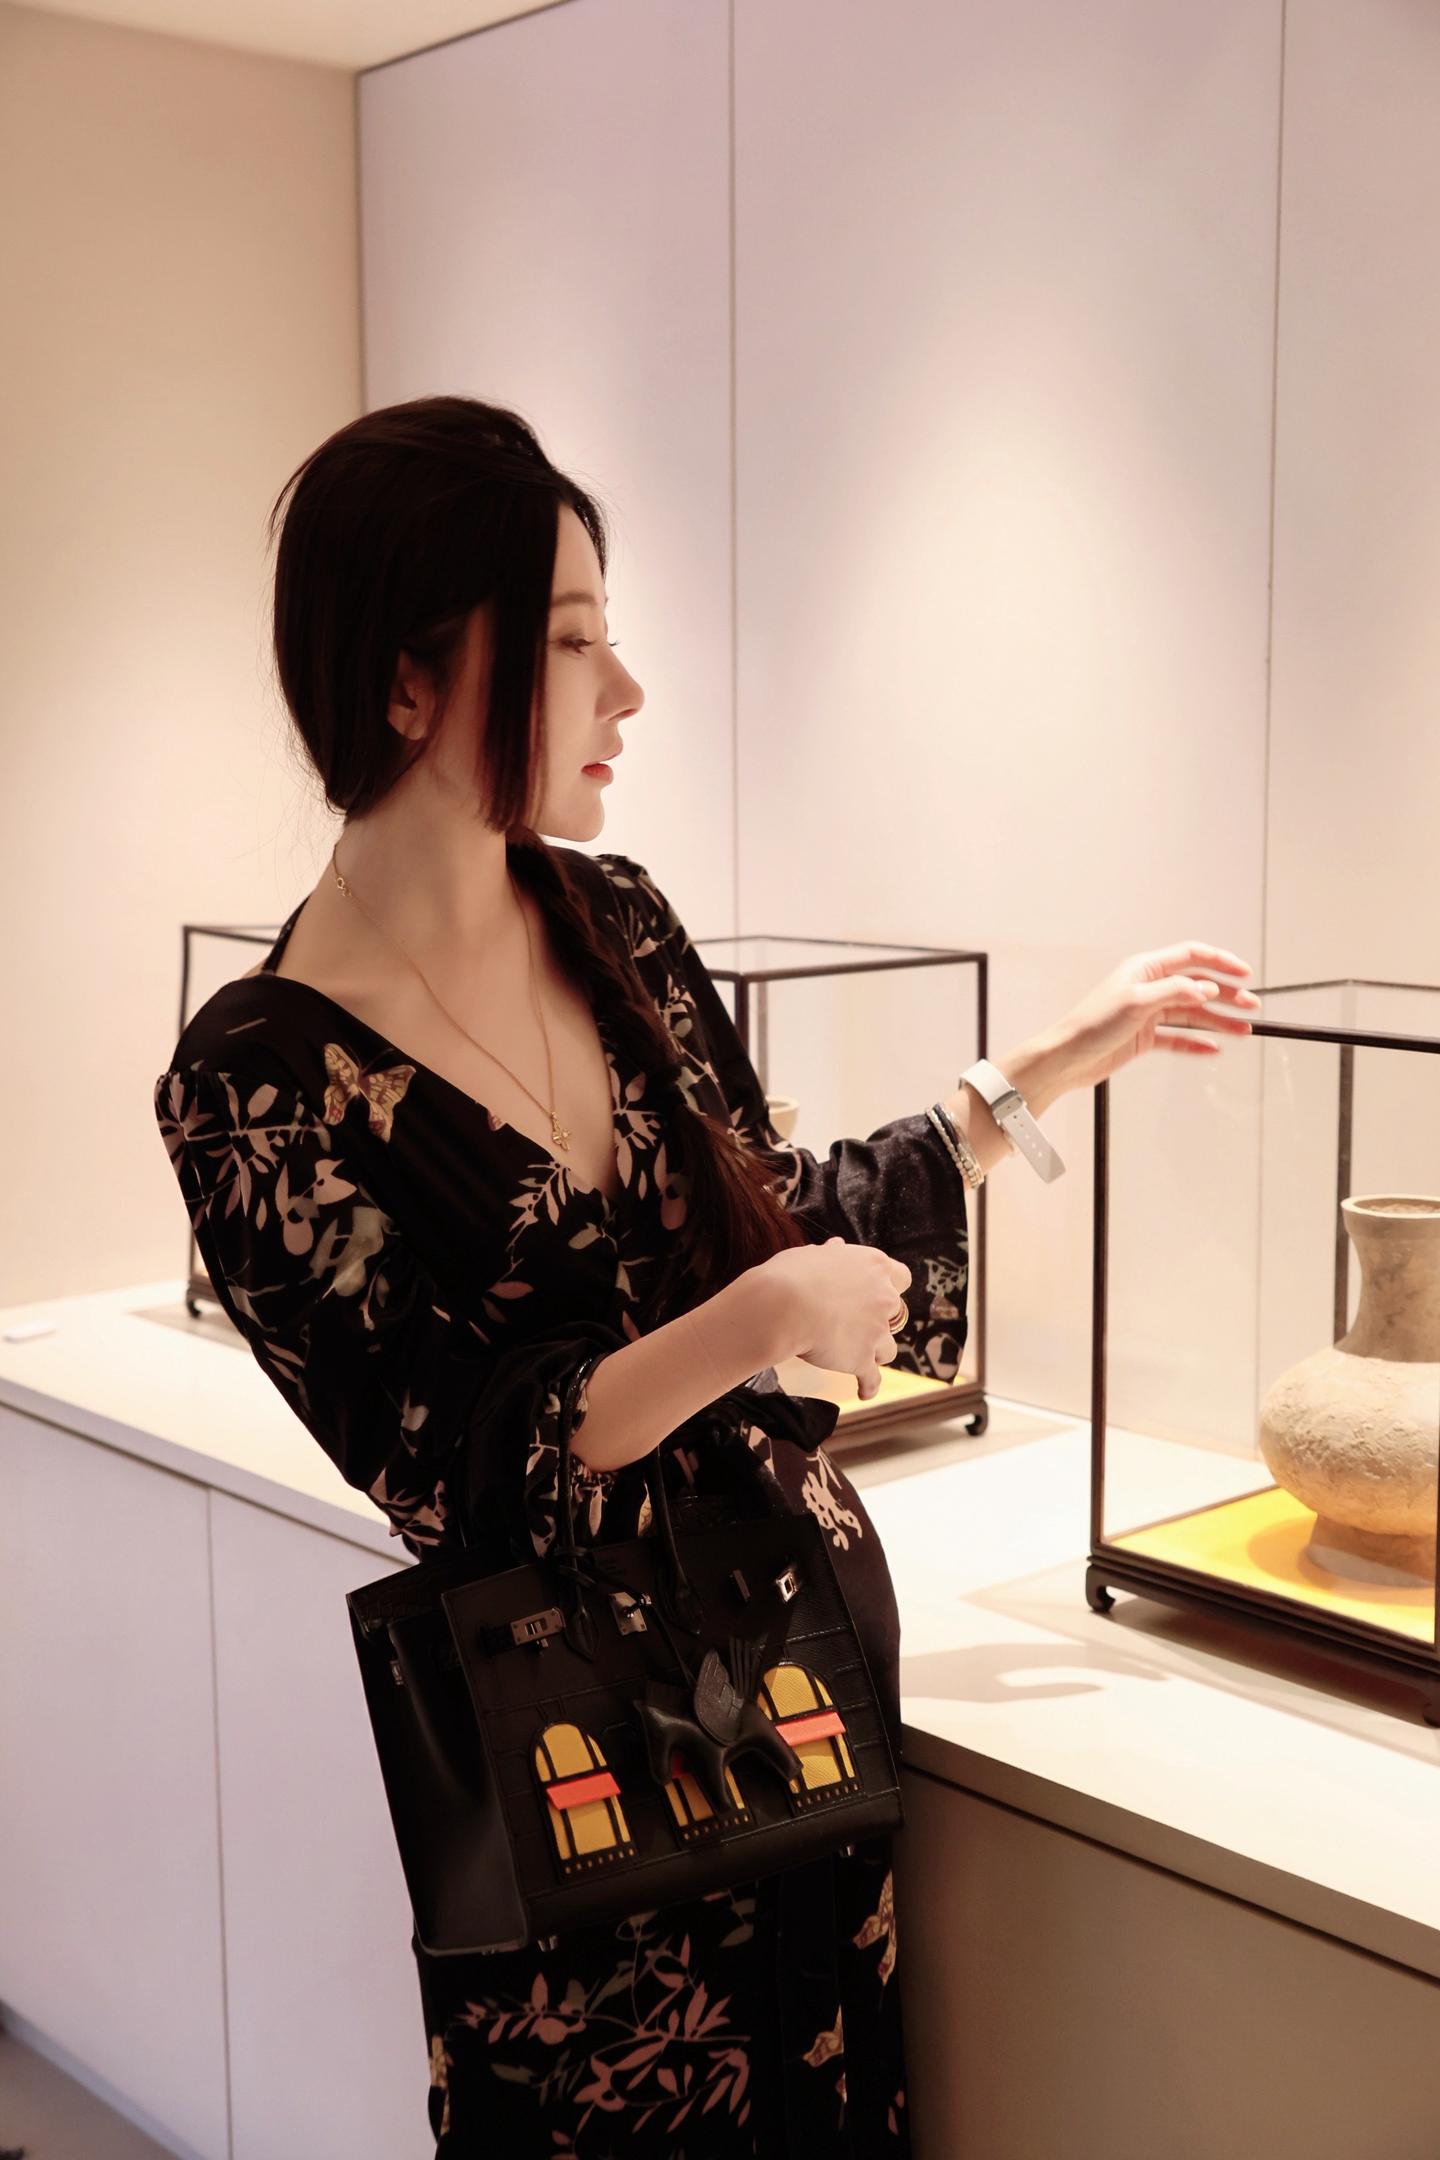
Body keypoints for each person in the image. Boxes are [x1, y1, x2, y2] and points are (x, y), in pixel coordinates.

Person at [152, 395, 1258, 2157]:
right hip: (580, 1776)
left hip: (797, 1690)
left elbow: (768, 1221)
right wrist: (754, 1323)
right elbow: (466, 1469)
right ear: (407, 683)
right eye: (570, 640)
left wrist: (1037, 1072)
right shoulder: (253, 1080)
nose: (628, 689)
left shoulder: (618, 923)